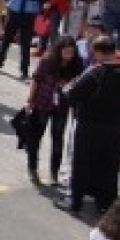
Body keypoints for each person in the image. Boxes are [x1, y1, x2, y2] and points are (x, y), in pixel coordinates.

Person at [58, 37, 120, 216]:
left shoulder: (96, 72)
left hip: (91, 126)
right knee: (110, 165)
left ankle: (75, 201)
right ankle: (105, 203)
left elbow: (74, 95)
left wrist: (67, 89)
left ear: (98, 52)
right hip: (118, 129)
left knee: (82, 163)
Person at [24, 36, 86, 186]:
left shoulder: (77, 64)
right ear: (59, 50)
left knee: (58, 140)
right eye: (66, 52)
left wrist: (71, 85)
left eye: (71, 52)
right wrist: (30, 100)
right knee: (35, 137)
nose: (69, 55)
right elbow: (36, 79)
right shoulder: (47, 61)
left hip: (62, 107)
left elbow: (79, 84)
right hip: (42, 103)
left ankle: (54, 174)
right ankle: (33, 170)